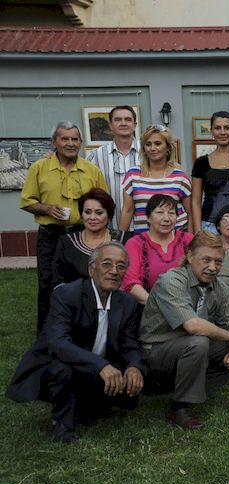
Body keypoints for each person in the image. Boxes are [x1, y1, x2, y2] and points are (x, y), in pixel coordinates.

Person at [6, 243, 146, 443]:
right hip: (58, 363)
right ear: (91, 269)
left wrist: (134, 366)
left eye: (121, 266)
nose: (114, 271)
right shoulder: (67, 295)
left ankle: (88, 407)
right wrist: (101, 365)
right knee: (64, 368)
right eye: (106, 264)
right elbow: (58, 343)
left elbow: (129, 343)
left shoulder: (127, 302)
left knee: (129, 395)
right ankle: (62, 426)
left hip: (97, 365)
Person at [139, 232, 229, 430]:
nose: (213, 267)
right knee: (198, 342)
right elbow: (193, 326)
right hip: (157, 352)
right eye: (206, 260)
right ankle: (178, 408)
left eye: (218, 262)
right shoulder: (172, 280)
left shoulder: (218, 287)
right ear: (190, 256)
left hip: (192, 349)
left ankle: (195, 389)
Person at [19, 120, 109, 332]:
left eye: (75, 139)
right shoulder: (39, 168)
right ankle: (46, 336)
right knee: (47, 284)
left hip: (82, 235)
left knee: (84, 282)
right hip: (50, 235)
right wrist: (47, 208)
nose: (70, 143)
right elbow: (27, 201)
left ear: (80, 143)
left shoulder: (91, 170)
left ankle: (82, 333)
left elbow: (104, 202)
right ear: (54, 142)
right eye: (65, 139)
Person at [119, 125, 193, 234]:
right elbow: (127, 210)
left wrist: (189, 239)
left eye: (158, 143)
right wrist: (119, 239)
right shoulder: (132, 175)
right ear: (144, 149)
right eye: (148, 144)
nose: (152, 148)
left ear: (168, 147)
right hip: (142, 238)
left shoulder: (180, 177)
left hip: (176, 238)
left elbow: (191, 213)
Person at [122, 194, 194, 305]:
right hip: (148, 308)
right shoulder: (135, 243)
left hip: (187, 305)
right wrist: (157, 305)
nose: (166, 218)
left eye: (171, 213)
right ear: (148, 217)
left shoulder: (189, 240)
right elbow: (130, 282)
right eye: (160, 212)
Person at [53, 188, 130, 286]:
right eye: (87, 212)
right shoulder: (67, 242)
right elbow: (59, 281)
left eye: (99, 213)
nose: (92, 217)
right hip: (76, 295)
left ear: (109, 216)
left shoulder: (124, 240)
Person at [86, 105, 139, 228]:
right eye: (118, 119)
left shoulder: (147, 153)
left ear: (135, 125)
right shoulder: (97, 155)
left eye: (128, 119)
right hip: (110, 228)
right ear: (110, 125)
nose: (123, 123)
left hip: (144, 229)